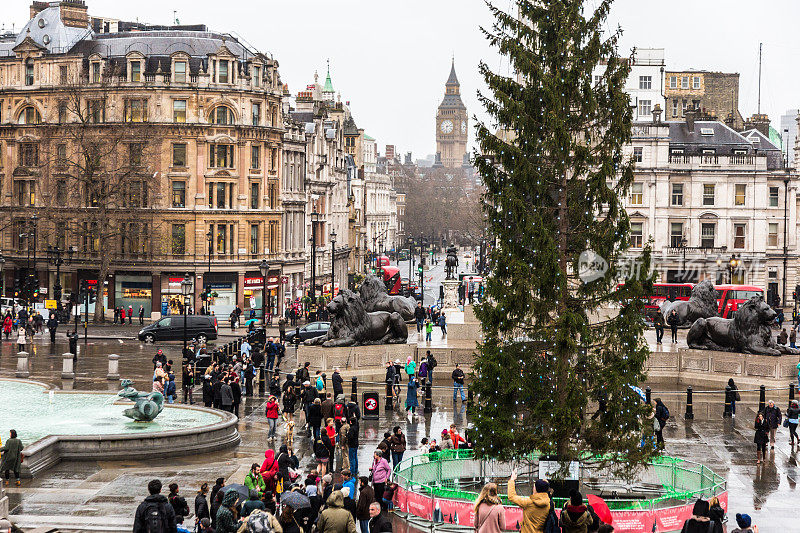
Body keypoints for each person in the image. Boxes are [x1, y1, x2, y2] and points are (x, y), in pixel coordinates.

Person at [507, 469, 550, 533]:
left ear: (536, 489)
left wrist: (512, 480)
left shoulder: (529, 502)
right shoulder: (548, 503)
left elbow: (511, 496)